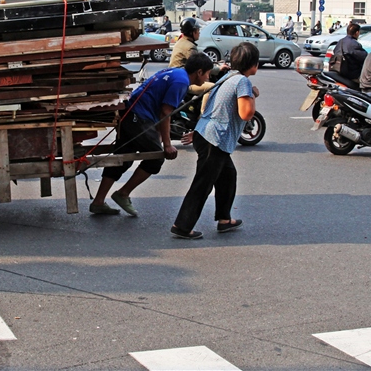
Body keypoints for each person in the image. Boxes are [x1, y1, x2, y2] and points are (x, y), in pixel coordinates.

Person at [90, 52, 214, 216]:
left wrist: (159, 136)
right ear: (199, 72)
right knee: (156, 158)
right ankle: (123, 193)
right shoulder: (182, 82)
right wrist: (167, 145)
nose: (207, 77)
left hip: (131, 112)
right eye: (207, 73)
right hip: (139, 116)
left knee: (121, 158)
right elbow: (166, 112)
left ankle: (98, 202)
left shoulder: (175, 72)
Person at [170, 42, 260, 240]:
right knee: (203, 183)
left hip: (208, 135)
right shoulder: (242, 81)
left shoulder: (229, 76)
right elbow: (246, 114)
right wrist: (253, 95)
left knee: (228, 176)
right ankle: (182, 226)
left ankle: (224, 219)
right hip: (215, 139)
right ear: (253, 64)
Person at [169, 18, 223, 96]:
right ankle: (204, 105)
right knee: (212, 88)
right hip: (183, 81)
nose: (199, 32)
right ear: (192, 32)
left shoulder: (182, 41)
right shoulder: (189, 47)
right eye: (197, 30)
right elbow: (199, 66)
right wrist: (219, 69)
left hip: (177, 78)